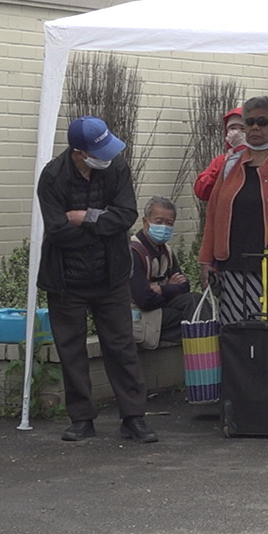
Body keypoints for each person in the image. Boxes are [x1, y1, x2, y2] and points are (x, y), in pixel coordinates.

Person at [38, 116, 156, 443]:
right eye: (98, 151)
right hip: (65, 280)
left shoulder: (116, 168)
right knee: (71, 351)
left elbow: (126, 216)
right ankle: (81, 419)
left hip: (111, 276)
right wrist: (102, 229)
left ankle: (134, 417)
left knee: (121, 346)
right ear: (79, 152)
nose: (106, 156)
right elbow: (57, 231)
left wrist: (87, 217)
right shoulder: (52, 177)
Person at [199, 95, 268, 324]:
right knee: (235, 338)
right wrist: (205, 260)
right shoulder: (230, 165)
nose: (254, 128)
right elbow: (213, 216)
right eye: (249, 122)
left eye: (263, 122)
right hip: (232, 269)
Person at [129, 196, 201, 349]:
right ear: (145, 221)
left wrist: (162, 289)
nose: (164, 227)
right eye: (158, 221)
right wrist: (171, 290)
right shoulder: (134, 252)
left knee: (195, 301)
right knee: (193, 317)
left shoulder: (167, 251)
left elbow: (185, 287)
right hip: (141, 314)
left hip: (160, 308)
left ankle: (201, 350)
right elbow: (144, 300)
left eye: (169, 223)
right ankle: (204, 356)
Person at [193, 107, 246, 201]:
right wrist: (224, 166)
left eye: (243, 129)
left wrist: (241, 150)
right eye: (232, 128)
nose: (237, 133)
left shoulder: (261, 158)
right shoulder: (220, 161)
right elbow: (202, 191)